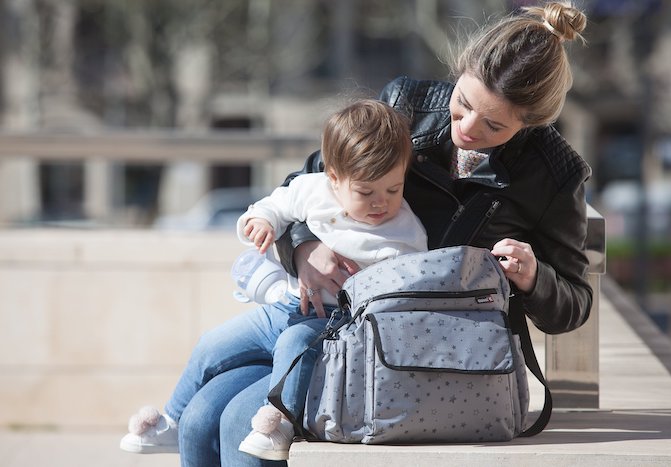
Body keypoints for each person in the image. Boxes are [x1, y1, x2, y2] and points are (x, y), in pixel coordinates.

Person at [171, 2, 594, 466]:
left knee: (235, 421)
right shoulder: (406, 104)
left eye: (494, 124)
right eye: (464, 103)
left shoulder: (557, 174)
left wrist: (533, 277)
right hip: (329, 318)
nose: (467, 129)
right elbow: (311, 181)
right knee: (198, 417)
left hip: (429, 353)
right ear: (459, 73)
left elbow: (574, 303)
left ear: (530, 123)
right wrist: (304, 250)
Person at [119, 99, 428, 461]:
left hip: (332, 327)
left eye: (394, 189)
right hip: (283, 307)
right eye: (366, 192)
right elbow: (275, 205)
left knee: (293, 344)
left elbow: (406, 293)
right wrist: (262, 222)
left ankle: (278, 422)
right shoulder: (313, 189)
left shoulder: (406, 233)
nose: (382, 203)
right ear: (334, 178)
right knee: (212, 343)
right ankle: (171, 418)